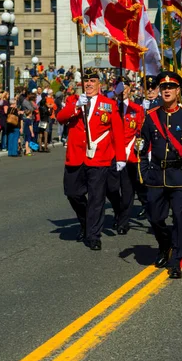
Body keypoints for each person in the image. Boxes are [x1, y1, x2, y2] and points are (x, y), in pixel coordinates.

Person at [139, 71, 182, 279]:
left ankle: (177, 260)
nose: (166, 91)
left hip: (180, 175)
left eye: (171, 88)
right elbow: (141, 148)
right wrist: (144, 173)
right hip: (157, 175)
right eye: (163, 87)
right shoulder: (151, 117)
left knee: (178, 217)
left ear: (178, 91)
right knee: (156, 218)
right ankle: (165, 245)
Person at [56, 67, 126, 250]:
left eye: (93, 81)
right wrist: (77, 105)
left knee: (96, 198)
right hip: (76, 156)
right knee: (72, 193)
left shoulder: (108, 104)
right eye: (86, 81)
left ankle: (93, 235)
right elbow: (60, 118)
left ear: (99, 84)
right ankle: (86, 222)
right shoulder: (74, 101)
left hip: (99, 158)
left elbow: (118, 132)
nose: (88, 84)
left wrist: (121, 157)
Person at [111, 76, 147, 233]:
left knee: (127, 190)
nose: (123, 91)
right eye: (119, 87)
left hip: (129, 155)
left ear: (130, 89)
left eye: (125, 87)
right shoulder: (111, 107)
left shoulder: (136, 109)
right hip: (112, 154)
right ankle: (118, 212)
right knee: (110, 189)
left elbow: (141, 132)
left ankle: (123, 222)